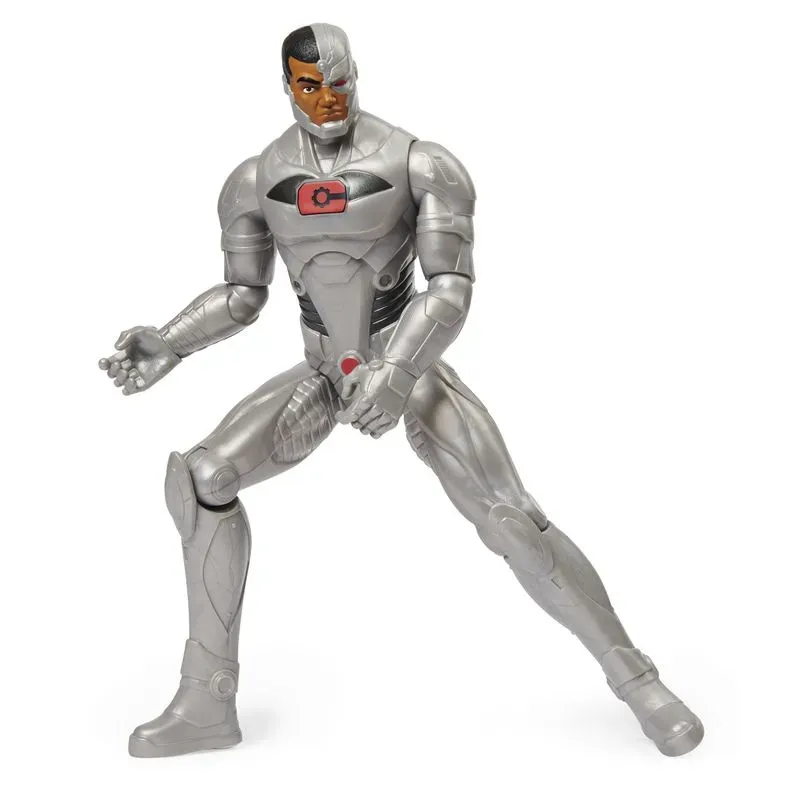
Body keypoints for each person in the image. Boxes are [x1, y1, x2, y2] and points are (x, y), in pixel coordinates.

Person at [99, 23, 703, 759]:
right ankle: (206, 702)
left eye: (340, 81)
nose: (328, 99)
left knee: (510, 518)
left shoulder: (420, 163)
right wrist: (169, 341)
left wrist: (398, 373)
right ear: (287, 87)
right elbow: (241, 293)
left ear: (358, 74)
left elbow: (450, 287)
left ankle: (639, 682)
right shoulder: (255, 179)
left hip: (405, 365)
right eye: (310, 86)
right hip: (323, 374)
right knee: (202, 479)